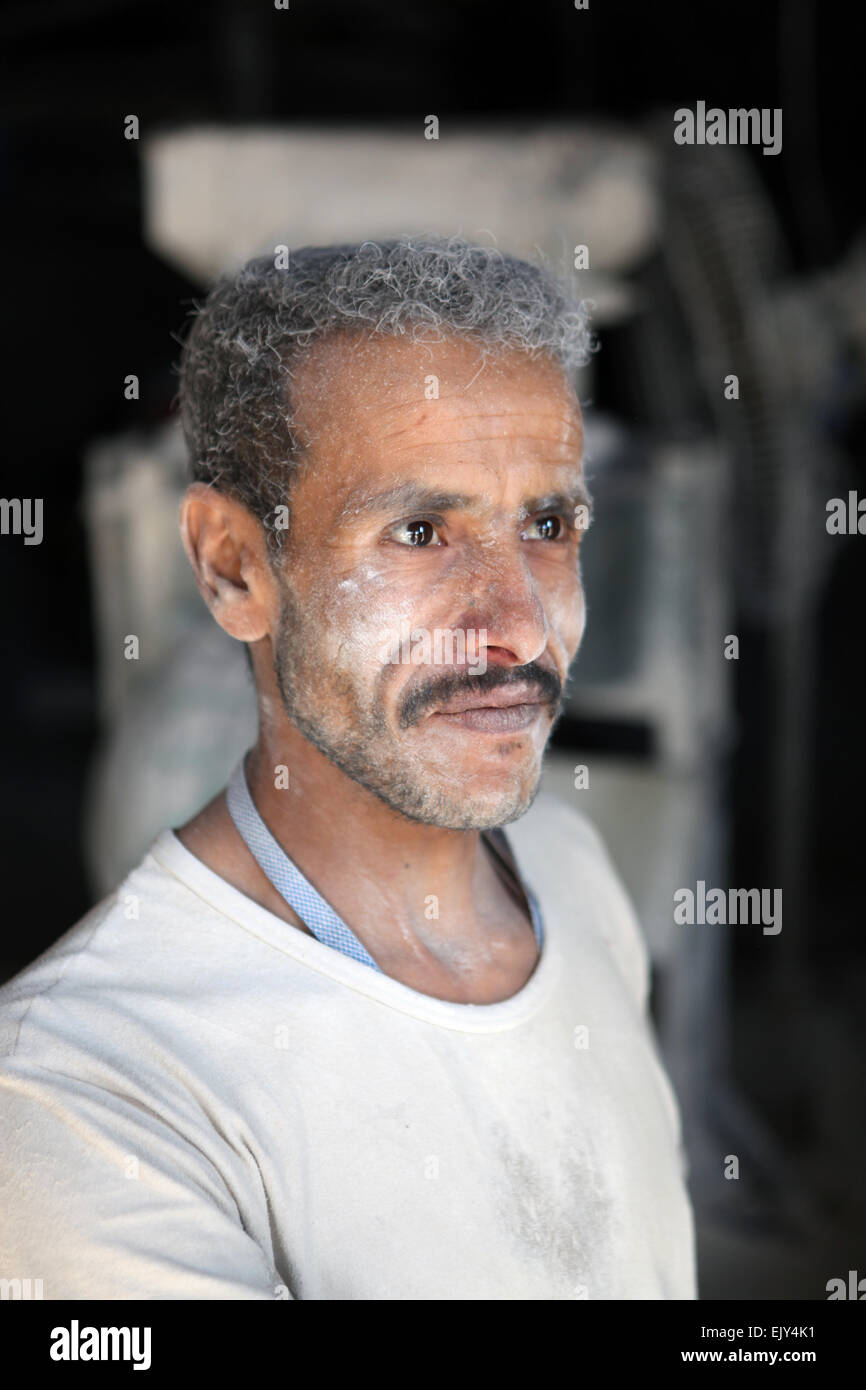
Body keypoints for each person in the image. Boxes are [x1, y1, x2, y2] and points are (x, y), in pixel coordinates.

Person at [0, 236, 696, 1299]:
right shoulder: (87, 1094)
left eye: (547, 525)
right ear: (234, 568)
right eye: (419, 531)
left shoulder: (568, 866)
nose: (517, 625)